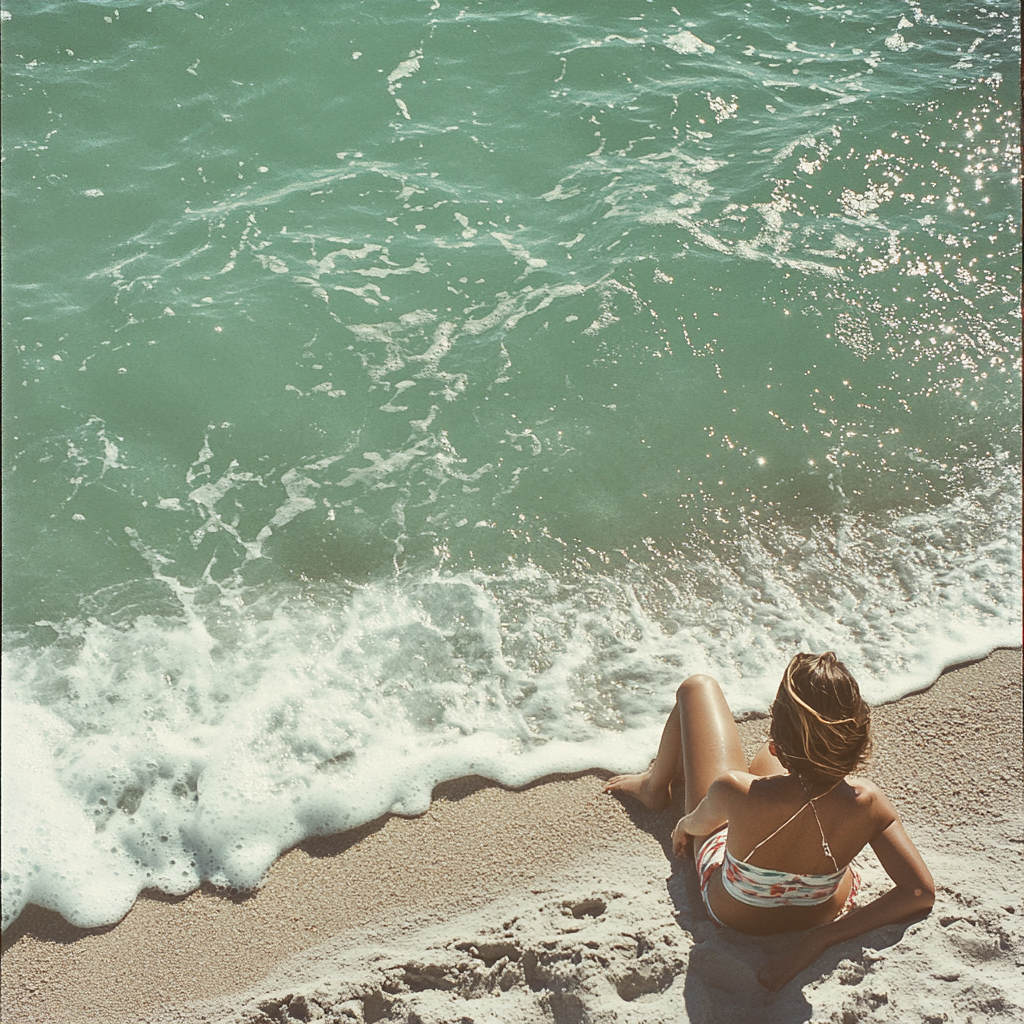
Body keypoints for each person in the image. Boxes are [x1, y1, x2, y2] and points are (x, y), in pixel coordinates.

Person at [603, 652, 934, 992]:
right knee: (768, 765)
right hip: (820, 911)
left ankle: (654, 787)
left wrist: (683, 827)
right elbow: (919, 892)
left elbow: (695, 825)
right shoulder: (870, 804)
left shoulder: (735, 790)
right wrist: (819, 939)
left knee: (697, 687)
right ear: (858, 738)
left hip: (733, 912)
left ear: (779, 738)